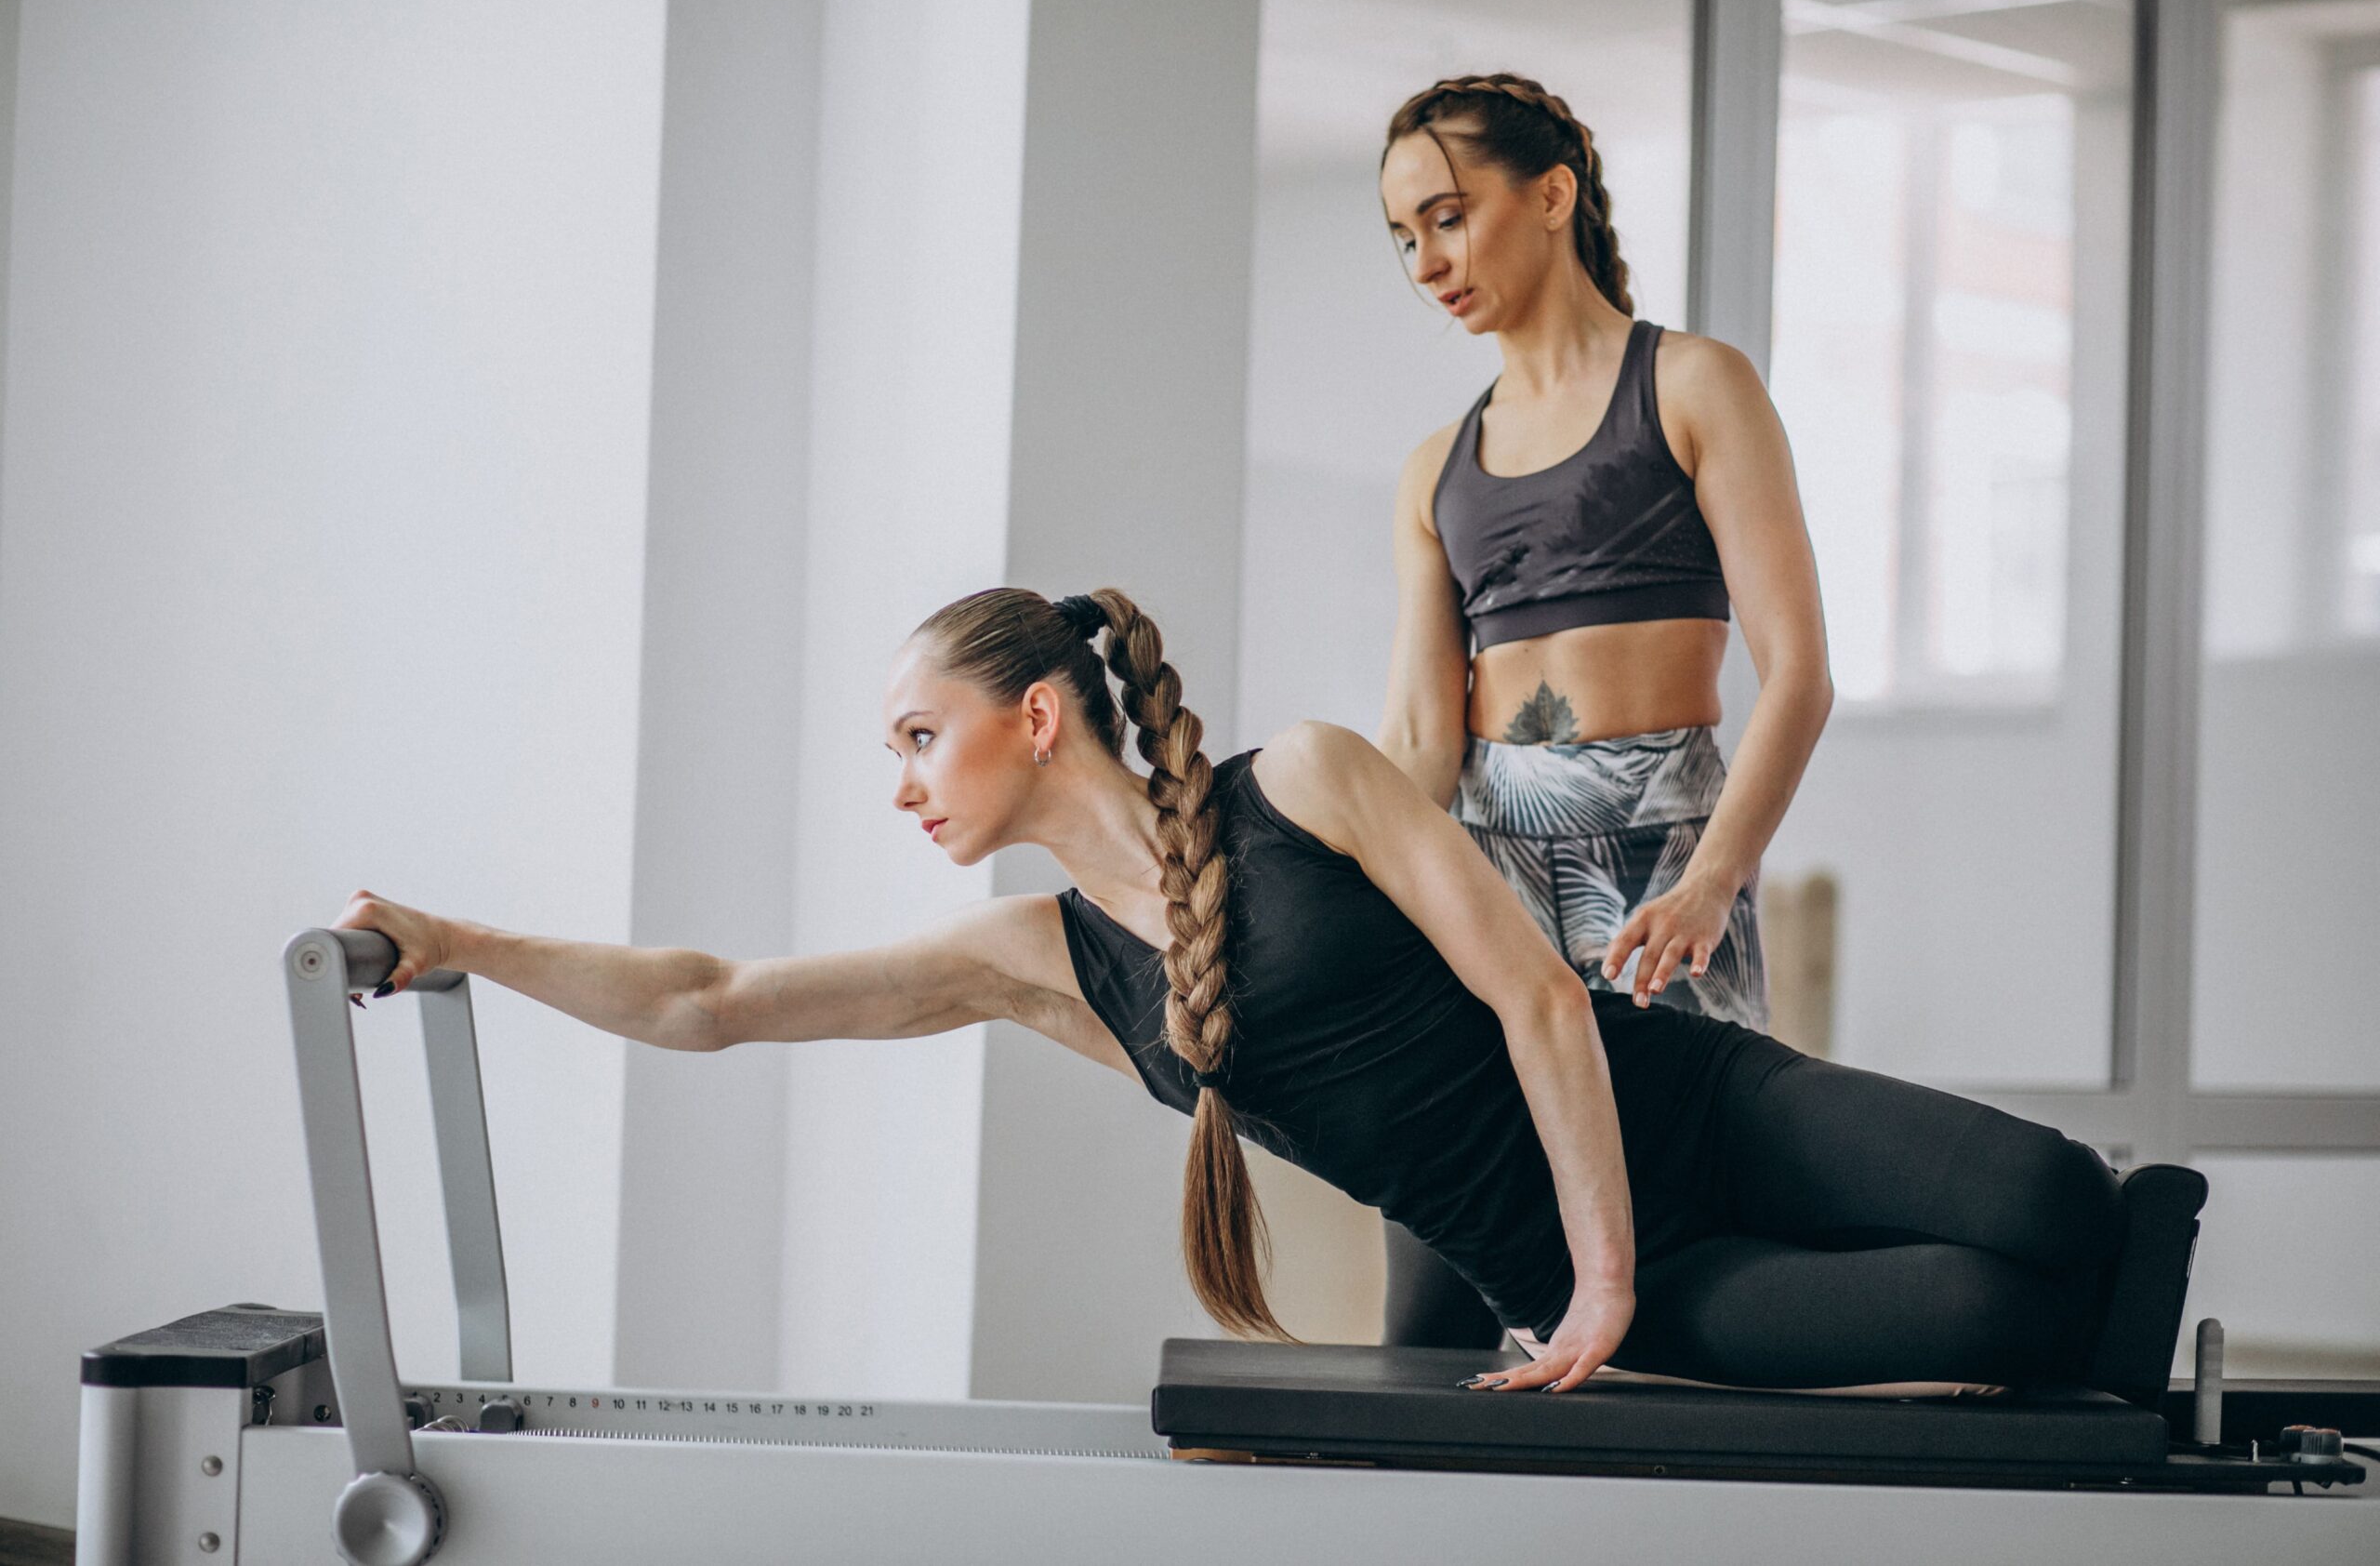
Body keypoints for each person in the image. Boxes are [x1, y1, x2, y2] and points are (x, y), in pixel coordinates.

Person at [340, 586, 2121, 1398]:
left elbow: (1541, 1000)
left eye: (917, 736)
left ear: (1037, 715)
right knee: (1991, 1327)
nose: (901, 783)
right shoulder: (1043, 961)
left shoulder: (1312, 783)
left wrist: (1605, 1272)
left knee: (2054, 1196)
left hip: (1688, 1118)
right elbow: (711, 998)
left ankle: (2148, 1279)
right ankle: (2139, 1339)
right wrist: (470, 946)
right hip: (1620, 1293)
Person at [1372, 73, 1835, 1350]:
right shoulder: (1433, 470)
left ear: (1552, 194)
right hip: (1489, 864)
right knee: (1454, 1248)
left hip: (1661, 867)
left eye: (1448, 218)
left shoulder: (1693, 387)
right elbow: (1422, 746)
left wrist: (1712, 884)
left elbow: (1797, 674)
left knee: (1677, 1233)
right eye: (1404, 236)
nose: (1427, 262)